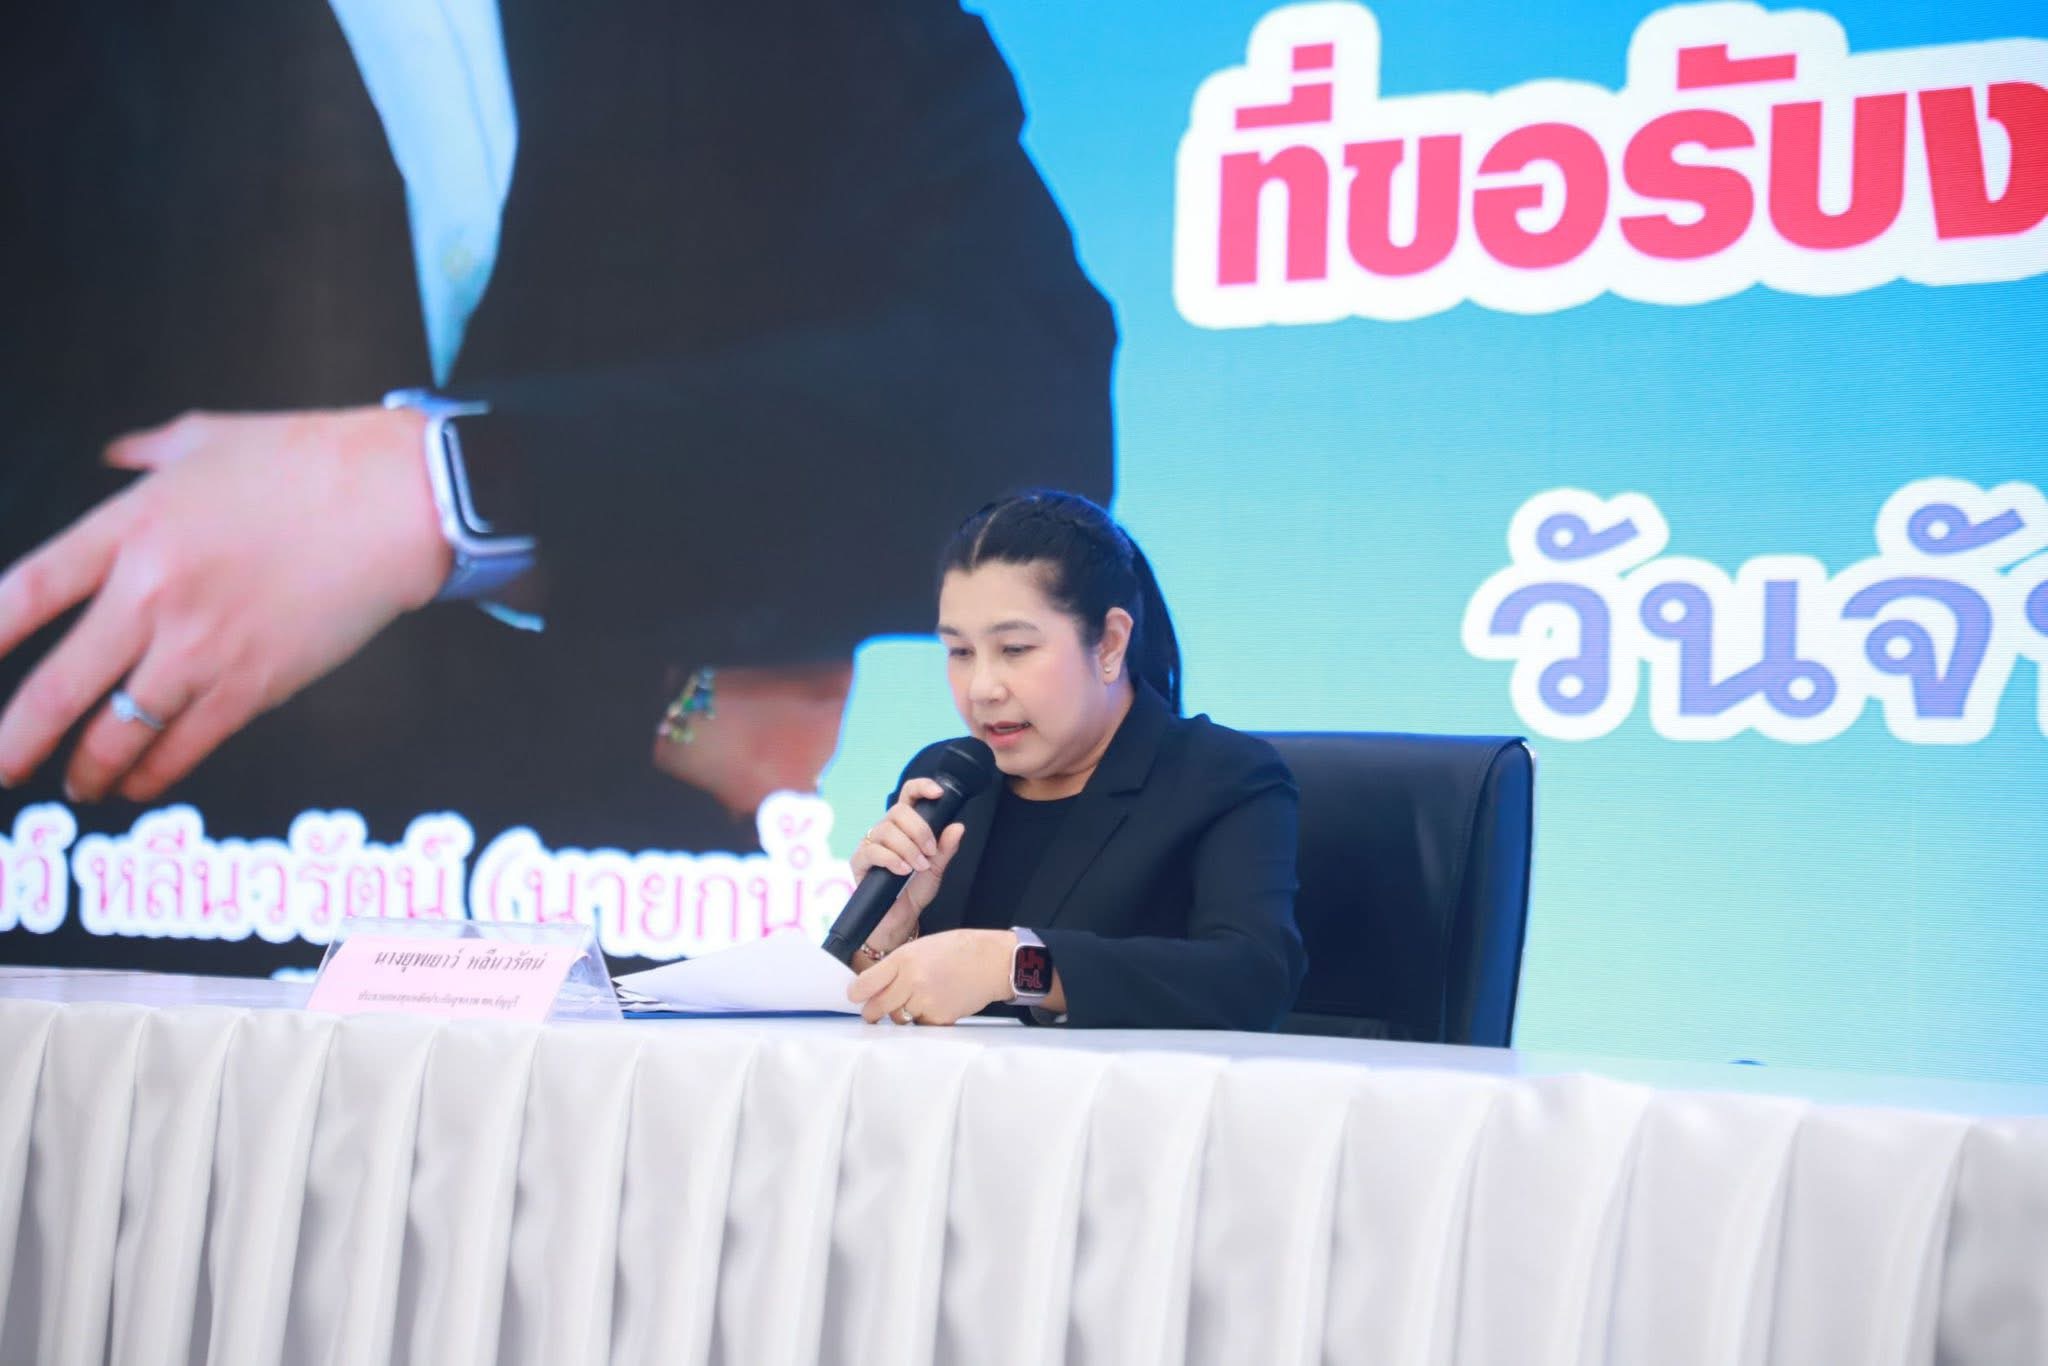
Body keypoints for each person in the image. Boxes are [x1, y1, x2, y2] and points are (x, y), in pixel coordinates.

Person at [0, 1, 1113, 973]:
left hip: (627, 969)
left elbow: (1025, 415)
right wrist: (657, 683)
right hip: (125, 957)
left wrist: (445, 490)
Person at [845, 492, 1306, 1031]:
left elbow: (1252, 979)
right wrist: (886, 938)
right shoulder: (943, 782)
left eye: (1015, 649)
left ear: (1109, 644)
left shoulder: (1223, 778)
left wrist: (1016, 965)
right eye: (960, 652)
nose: (981, 688)